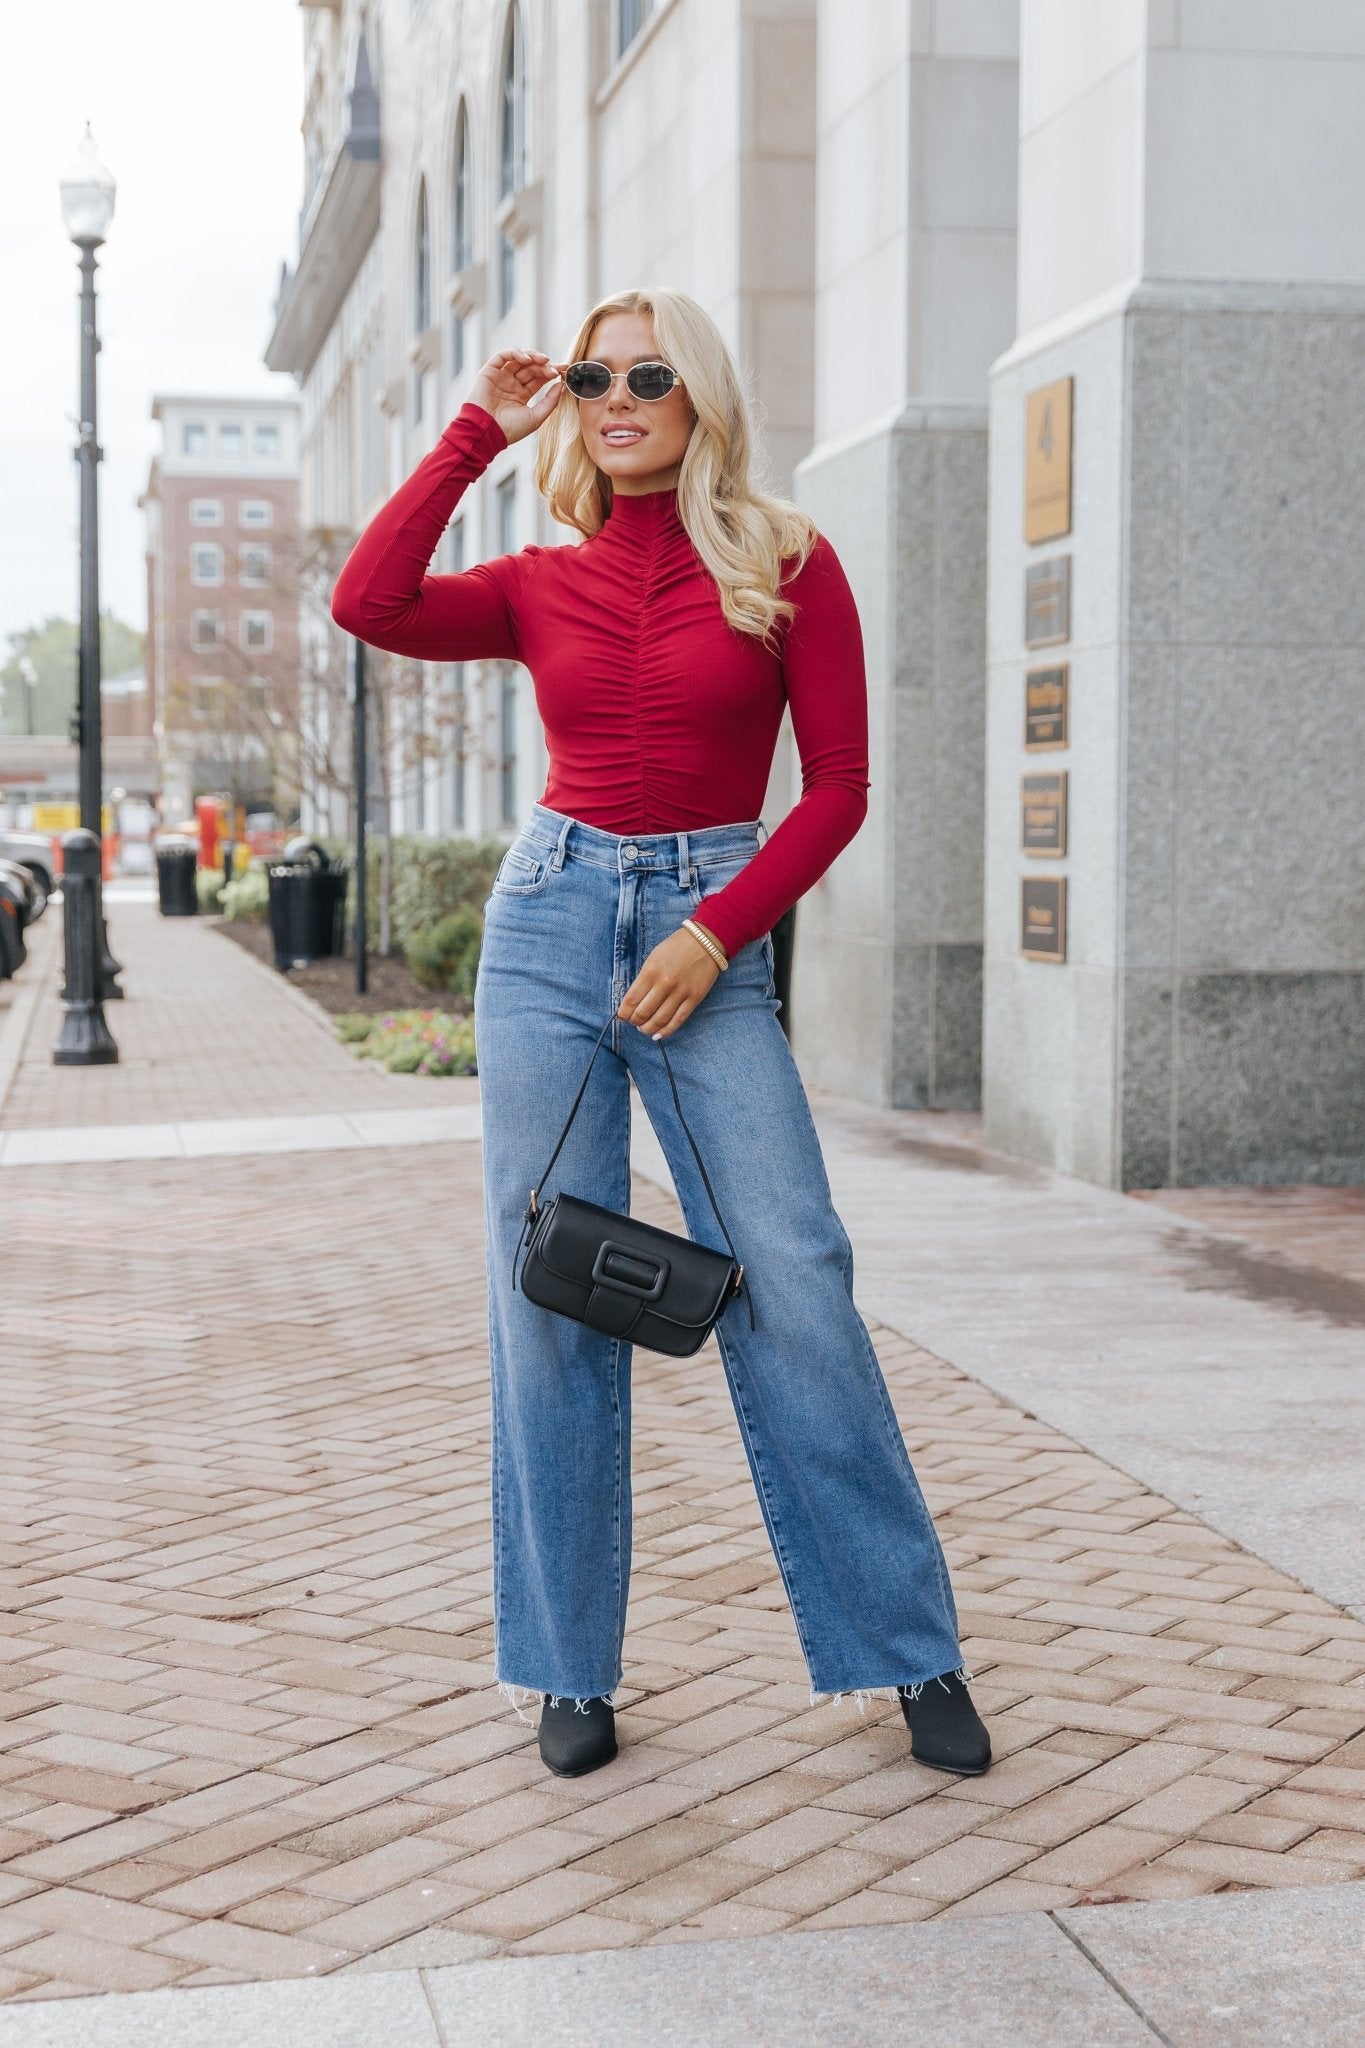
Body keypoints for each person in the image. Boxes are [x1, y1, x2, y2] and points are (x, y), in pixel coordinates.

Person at [331, 287, 990, 1783]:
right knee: (547, 1282)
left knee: (799, 1274)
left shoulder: (785, 559)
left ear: (696, 395)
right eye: (589, 378)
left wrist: (714, 932)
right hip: (551, 930)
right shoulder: (536, 581)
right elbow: (367, 603)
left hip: (709, 927)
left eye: (644, 374)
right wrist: (475, 434)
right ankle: (565, 1672)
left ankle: (907, 1650)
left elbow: (835, 788)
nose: (614, 396)